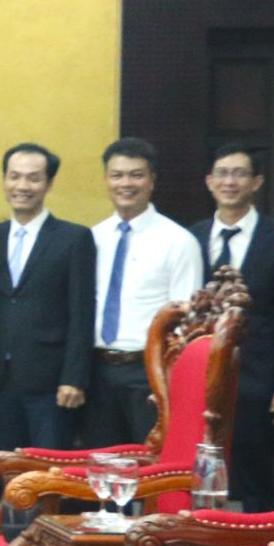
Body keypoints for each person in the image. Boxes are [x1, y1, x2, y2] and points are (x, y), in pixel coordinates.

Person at [187, 143, 274, 512]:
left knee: (254, 471)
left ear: (256, 182)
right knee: (195, 469)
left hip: (257, 375)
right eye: (222, 173)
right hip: (198, 372)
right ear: (209, 181)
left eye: (239, 173)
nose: (230, 182)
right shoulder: (189, 237)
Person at [85, 138, 203, 448]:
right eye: (117, 175)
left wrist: (170, 380)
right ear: (106, 180)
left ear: (152, 180)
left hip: (149, 374)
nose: (126, 183)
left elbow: (187, 323)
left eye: (136, 175)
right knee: (102, 469)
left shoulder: (178, 241)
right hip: (97, 371)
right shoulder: (91, 239)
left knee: (152, 468)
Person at [0, 143, 95, 456]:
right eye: (14, 177)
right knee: (0, 471)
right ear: (4, 180)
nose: (22, 186)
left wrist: (74, 378)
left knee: (47, 472)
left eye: (33, 178)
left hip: (51, 382)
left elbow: (82, 312)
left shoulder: (74, 238)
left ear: (49, 184)